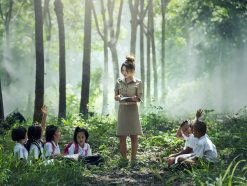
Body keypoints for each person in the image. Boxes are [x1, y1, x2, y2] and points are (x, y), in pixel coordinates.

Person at [114, 55, 143, 164]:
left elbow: (139, 97)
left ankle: (133, 159)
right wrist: (117, 97)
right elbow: (115, 96)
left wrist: (136, 98)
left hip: (133, 110)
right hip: (122, 110)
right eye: (122, 70)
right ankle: (123, 159)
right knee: (122, 136)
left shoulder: (138, 82)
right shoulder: (118, 81)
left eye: (126, 71)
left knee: (134, 136)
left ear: (132, 71)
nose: (124, 73)